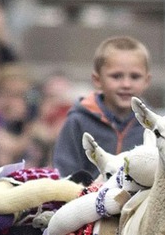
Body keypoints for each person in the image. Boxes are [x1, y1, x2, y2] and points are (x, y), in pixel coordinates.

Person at [53, 36, 151, 177]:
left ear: (147, 80)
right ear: (97, 80)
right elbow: (64, 174)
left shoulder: (153, 127)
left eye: (135, 77)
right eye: (116, 76)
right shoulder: (77, 122)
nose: (126, 84)